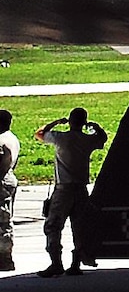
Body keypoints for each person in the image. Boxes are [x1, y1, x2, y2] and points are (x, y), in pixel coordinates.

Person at [36, 107, 104, 277]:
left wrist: (57, 122)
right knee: (79, 226)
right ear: (84, 122)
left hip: (63, 189)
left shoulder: (61, 138)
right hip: (81, 188)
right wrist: (96, 128)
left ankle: (56, 263)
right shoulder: (87, 140)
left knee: (53, 225)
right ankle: (76, 264)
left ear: (70, 120)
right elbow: (102, 139)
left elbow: (40, 134)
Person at [0, 110, 18, 271]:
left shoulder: (1, 140)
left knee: (3, 221)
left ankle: (5, 259)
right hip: (9, 179)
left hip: (2, 181)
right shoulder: (12, 138)